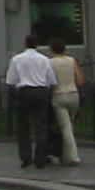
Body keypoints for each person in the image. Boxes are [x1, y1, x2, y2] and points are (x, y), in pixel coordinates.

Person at [6, 34, 58, 168]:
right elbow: (52, 81)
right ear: (37, 44)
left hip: (24, 91)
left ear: (25, 44)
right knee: (41, 126)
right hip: (41, 91)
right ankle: (40, 157)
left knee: (22, 125)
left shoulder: (17, 59)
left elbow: (11, 80)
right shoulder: (45, 60)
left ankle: (25, 157)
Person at [47, 38, 85, 166]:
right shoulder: (72, 60)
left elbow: (51, 82)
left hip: (59, 95)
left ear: (51, 49)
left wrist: (50, 93)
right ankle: (65, 156)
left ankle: (73, 157)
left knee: (65, 127)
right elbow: (80, 81)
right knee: (70, 125)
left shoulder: (50, 63)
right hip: (73, 94)